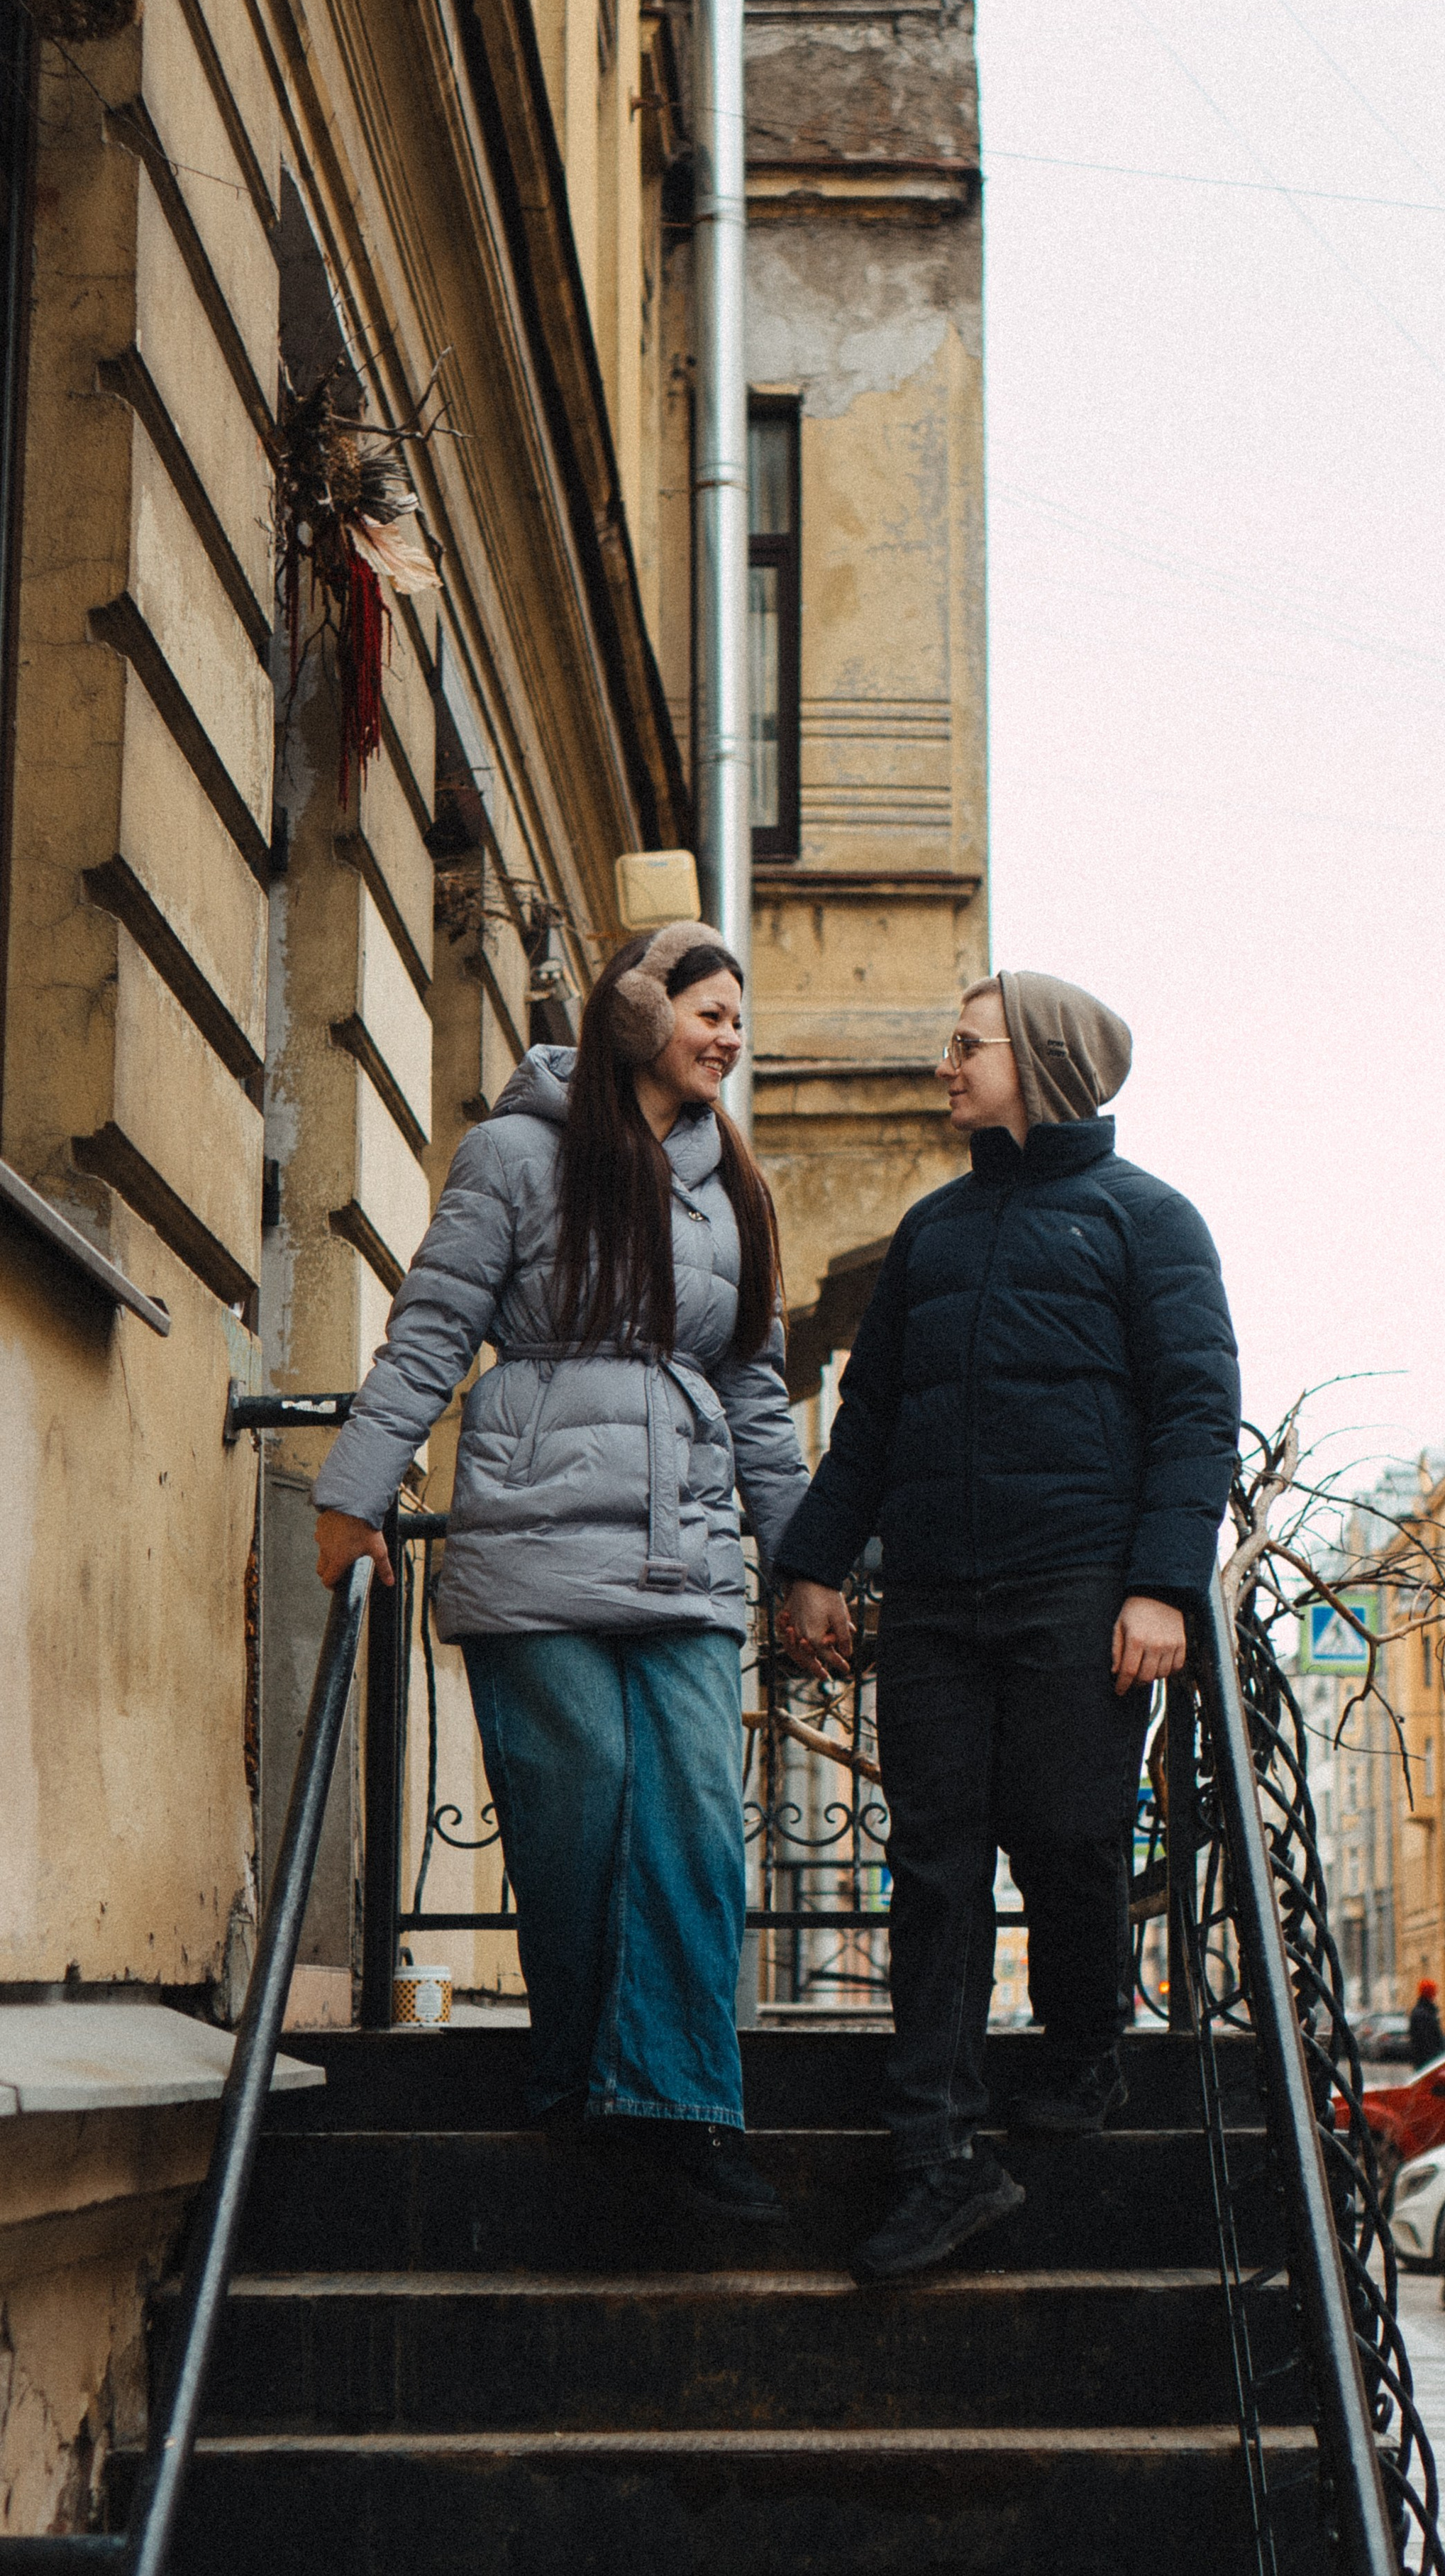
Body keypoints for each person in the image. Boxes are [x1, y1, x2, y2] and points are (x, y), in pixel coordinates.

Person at [313, 922, 831, 2221]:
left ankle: (677, 2116)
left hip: (688, 1554)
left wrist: (806, 1563)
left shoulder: (734, 1188)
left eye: (737, 1016)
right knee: (581, 1809)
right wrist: (353, 1493)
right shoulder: (515, 1155)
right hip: (537, 1544)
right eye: (708, 1009)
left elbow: (757, 1396)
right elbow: (434, 1327)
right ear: (635, 1013)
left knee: (699, 1825)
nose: (730, 1034)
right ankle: (587, 2088)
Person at [775, 970, 1240, 2282]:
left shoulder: (1150, 1223)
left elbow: (1197, 1411)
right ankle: (939, 2152)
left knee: (1070, 1839)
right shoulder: (932, 1234)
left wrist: (1161, 1586)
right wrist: (815, 1563)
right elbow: (871, 1423)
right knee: (929, 1869)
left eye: (966, 1044)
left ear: (1036, 1062)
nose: (945, 1063)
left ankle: (1086, 2049)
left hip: (1077, 1594)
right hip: (932, 1600)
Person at [1409, 1979, 1445, 2068]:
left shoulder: (1423, 2011)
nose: (1435, 1995)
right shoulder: (1424, 2013)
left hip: (1424, 2060)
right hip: (1427, 2062)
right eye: (1434, 1992)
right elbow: (1426, 2041)